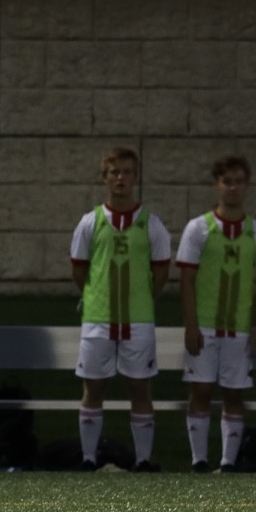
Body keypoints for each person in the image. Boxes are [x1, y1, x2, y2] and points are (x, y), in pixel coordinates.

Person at [70, 147, 171, 472]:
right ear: (105, 178)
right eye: (114, 172)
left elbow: (160, 273)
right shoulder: (90, 222)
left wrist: (142, 297)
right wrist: (95, 295)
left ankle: (143, 460)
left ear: (135, 177)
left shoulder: (151, 224)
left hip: (138, 320)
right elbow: (80, 269)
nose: (121, 178)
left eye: (127, 172)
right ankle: (88, 459)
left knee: (140, 386)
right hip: (98, 319)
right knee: (94, 387)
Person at [177, 156, 256, 473]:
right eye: (227, 181)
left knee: (234, 393)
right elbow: (187, 280)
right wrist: (190, 326)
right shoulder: (198, 228)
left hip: (238, 328)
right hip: (204, 326)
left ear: (247, 185)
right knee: (201, 390)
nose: (233, 187)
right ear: (216, 184)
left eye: (239, 181)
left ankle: (228, 463)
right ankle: (199, 461)